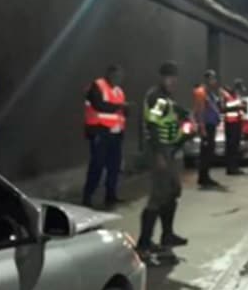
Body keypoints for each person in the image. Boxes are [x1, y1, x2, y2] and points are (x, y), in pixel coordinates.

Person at [137, 61, 191, 262]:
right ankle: (143, 244)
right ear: (161, 77)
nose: (173, 81)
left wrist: (185, 120)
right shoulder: (157, 97)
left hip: (168, 150)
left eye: (175, 77)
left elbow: (174, 114)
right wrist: (159, 154)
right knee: (158, 195)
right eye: (169, 77)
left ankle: (167, 234)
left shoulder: (166, 98)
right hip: (159, 152)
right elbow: (152, 125)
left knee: (173, 190)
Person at [82, 64, 128, 208]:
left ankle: (111, 195)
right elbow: (98, 105)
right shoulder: (97, 86)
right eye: (116, 75)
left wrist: (127, 110)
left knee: (114, 166)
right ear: (109, 74)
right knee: (97, 165)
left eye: (121, 76)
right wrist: (120, 107)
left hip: (115, 134)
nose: (119, 79)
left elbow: (121, 113)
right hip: (100, 132)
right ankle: (87, 196)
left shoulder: (119, 91)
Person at [192, 69, 224, 189]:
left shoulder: (211, 93)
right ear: (207, 79)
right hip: (206, 126)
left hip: (211, 125)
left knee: (209, 152)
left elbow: (216, 107)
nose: (214, 81)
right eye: (212, 79)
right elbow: (200, 111)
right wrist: (202, 127)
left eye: (214, 79)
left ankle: (206, 176)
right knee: (205, 153)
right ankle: (203, 178)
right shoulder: (201, 92)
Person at [223, 79, 248, 175]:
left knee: (235, 147)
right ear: (236, 88)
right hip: (230, 124)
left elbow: (239, 108)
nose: (240, 92)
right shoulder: (227, 96)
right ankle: (231, 168)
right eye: (239, 89)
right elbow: (224, 108)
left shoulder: (237, 96)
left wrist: (243, 108)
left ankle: (235, 167)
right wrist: (239, 107)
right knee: (231, 147)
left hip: (237, 123)